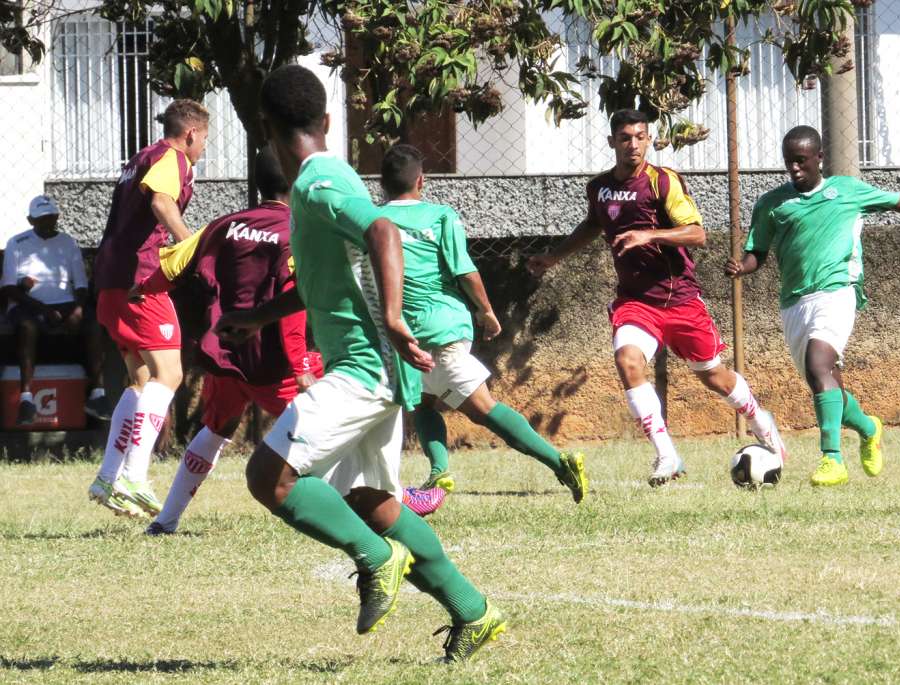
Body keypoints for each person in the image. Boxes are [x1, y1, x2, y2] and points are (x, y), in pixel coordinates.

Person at [214, 64, 505, 663]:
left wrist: (395, 318)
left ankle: (376, 559)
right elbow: (330, 277)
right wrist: (262, 316)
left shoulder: (317, 185)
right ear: (326, 121)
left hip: (362, 368)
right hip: (378, 370)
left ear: (264, 128)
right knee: (373, 503)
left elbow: (382, 231)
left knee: (268, 477)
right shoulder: (332, 177)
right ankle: (473, 612)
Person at [725, 125, 900, 487]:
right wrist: (742, 267)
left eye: (802, 161)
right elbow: (757, 252)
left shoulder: (847, 191)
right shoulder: (772, 204)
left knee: (819, 363)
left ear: (819, 158)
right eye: (789, 162)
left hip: (838, 291)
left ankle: (832, 460)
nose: (794, 169)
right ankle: (870, 428)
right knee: (826, 386)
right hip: (794, 302)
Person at [528, 109, 785, 486]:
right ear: (612, 141)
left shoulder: (662, 182)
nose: (633, 144)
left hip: (679, 299)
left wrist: (649, 235)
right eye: (625, 137)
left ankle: (761, 422)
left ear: (649, 140)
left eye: (640, 136)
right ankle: (667, 455)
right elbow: (593, 224)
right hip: (636, 302)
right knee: (628, 361)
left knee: (714, 376)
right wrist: (553, 257)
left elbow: (696, 234)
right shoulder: (599, 188)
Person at [379, 143, 588, 502]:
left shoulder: (374, 220)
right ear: (421, 181)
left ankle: (559, 461)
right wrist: (486, 311)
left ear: (381, 185)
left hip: (408, 330)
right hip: (445, 324)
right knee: (426, 403)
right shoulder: (440, 215)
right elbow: (465, 270)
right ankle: (439, 474)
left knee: (480, 409)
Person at [134, 149, 323, 535]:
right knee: (323, 430)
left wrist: (142, 292)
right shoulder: (297, 232)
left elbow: (172, 264)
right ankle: (378, 507)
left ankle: (165, 521)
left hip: (224, 354)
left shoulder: (224, 225)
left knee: (216, 428)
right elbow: (292, 305)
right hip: (275, 362)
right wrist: (301, 365)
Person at [87, 99, 209, 518]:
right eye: (204, 140)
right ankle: (134, 477)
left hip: (109, 280)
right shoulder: (172, 159)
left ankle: (108, 477)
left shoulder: (140, 156)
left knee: (139, 380)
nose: (203, 149)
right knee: (170, 373)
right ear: (191, 133)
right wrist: (192, 248)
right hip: (140, 280)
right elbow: (161, 203)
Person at [2, 195, 110, 424]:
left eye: (51, 218)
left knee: (93, 324)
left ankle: (98, 395)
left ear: (57, 217)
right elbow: (9, 288)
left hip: (64, 303)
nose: (48, 223)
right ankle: (26, 399)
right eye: (42, 219)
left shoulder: (68, 242)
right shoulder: (16, 243)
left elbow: (81, 284)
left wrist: (78, 309)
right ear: (31, 220)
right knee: (27, 327)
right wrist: (42, 308)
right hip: (27, 304)